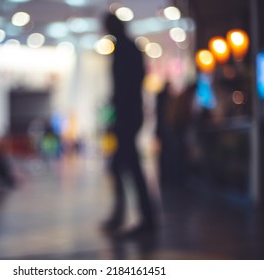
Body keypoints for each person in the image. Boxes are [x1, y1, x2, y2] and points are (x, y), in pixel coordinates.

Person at [102, 12, 155, 235]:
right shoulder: (128, 48)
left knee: (125, 166)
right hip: (128, 115)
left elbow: (126, 88)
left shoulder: (125, 50)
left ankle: (142, 217)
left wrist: (118, 115)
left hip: (127, 116)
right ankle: (130, 215)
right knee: (124, 166)